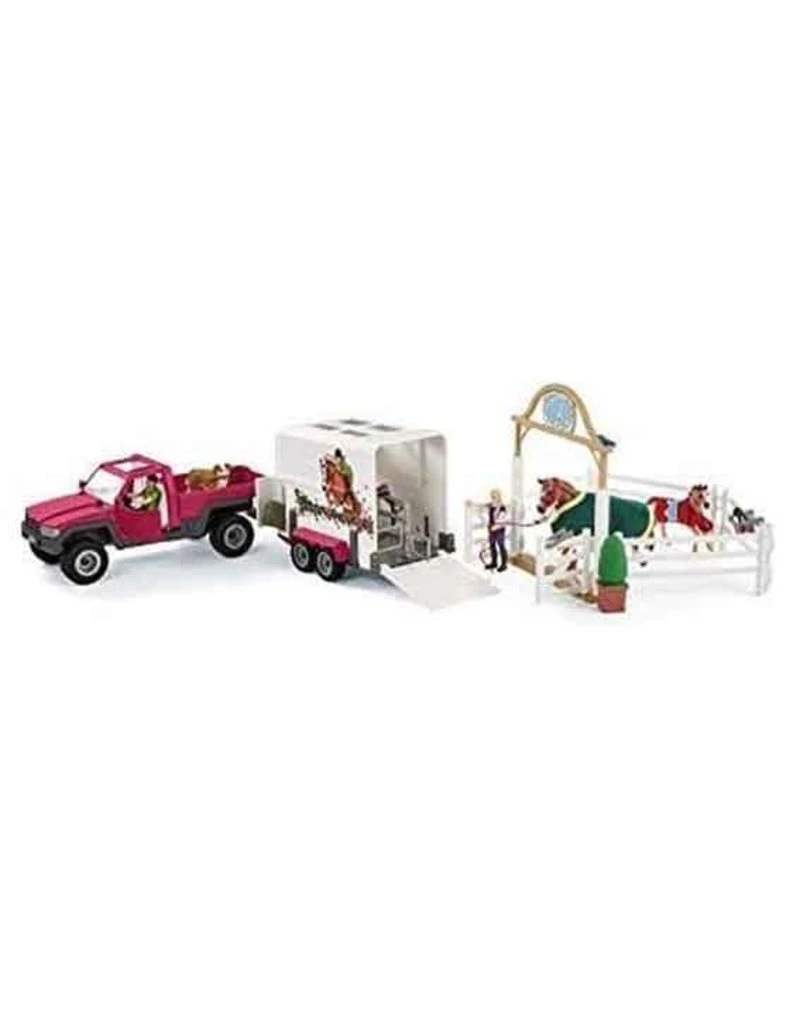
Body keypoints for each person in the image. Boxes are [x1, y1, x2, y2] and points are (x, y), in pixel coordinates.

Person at [486, 488, 508, 572]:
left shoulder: (502, 507)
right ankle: (494, 562)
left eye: (495, 496)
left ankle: (504, 564)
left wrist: (494, 527)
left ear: (499, 496)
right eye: (493, 496)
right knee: (492, 545)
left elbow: (501, 520)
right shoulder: (491, 505)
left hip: (499, 528)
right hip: (492, 528)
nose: (494, 497)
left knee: (501, 545)